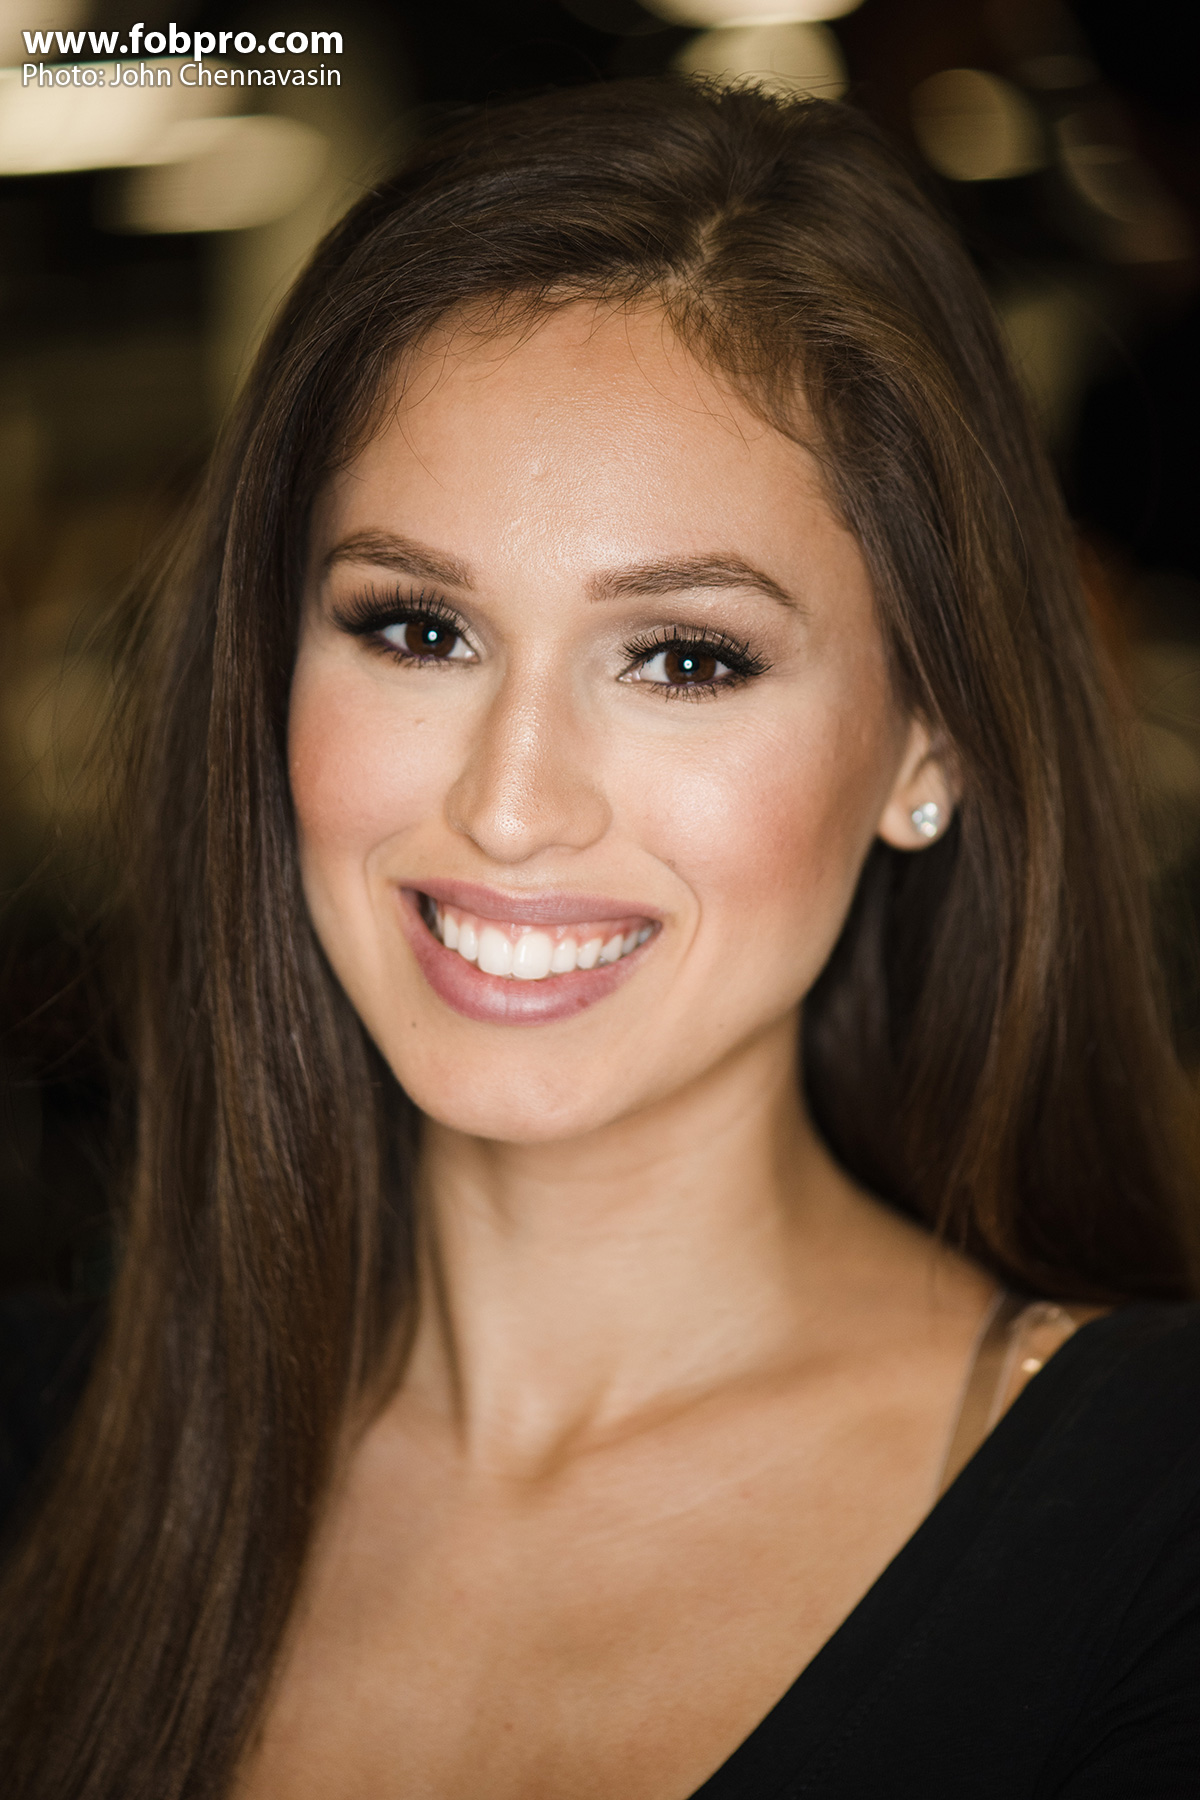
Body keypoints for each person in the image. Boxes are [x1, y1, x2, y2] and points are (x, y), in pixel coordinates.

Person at [1, 78, 1198, 1800]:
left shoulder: (1155, 1532)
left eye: (686, 659)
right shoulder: (43, 1463)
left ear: (926, 745)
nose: (510, 806)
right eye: (417, 629)